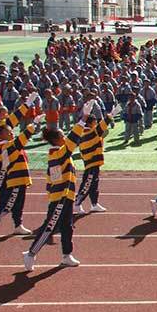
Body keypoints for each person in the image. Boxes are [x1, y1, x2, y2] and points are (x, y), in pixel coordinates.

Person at [22, 104, 97, 271]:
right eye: (63, 136)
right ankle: (31, 253)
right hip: (61, 198)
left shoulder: (57, 154)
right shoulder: (59, 153)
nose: (65, 138)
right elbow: (73, 139)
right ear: (57, 140)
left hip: (65, 197)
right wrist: (83, 118)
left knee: (67, 227)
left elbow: (52, 178)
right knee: (50, 226)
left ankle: (66, 255)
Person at [0, 114, 41, 238]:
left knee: (18, 204)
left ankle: (18, 225)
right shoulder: (8, 146)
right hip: (15, 180)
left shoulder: (4, 147)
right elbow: (23, 138)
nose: (12, 133)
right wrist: (33, 124)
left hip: (19, 180)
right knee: (7, 204)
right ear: (2, 135)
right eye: (9, 132)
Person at [0, 98, 35, 215]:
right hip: (2, 157)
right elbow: (17, 116)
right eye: (4, 112)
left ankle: (2, 204)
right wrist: (27, 104)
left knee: (3, 182)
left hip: (1, 156)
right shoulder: (1, 125)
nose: (7, 114)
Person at [74, 111, 113, 215]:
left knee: (93, 185)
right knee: (87, 185)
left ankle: (94, 204)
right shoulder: (90, 132)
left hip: (93, 163)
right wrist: (110, 115)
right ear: (91, 123)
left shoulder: (88, 132)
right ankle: (77, 203)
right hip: (91, 163)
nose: (96, 122)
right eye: (95, 121)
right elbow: (102, 127)